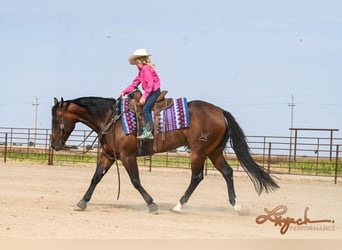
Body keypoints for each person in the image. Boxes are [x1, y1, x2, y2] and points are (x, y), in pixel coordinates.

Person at [118, 49, 161, 139]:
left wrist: (144, 96)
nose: (136, 65)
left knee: (145, 108)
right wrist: (123, 92)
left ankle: (149, 131)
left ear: (141, 60)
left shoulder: (146, 69)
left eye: (137, 62)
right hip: (150, 92)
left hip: (154, 92)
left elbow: (150, 84)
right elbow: (134, 84)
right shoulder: (141, 72)